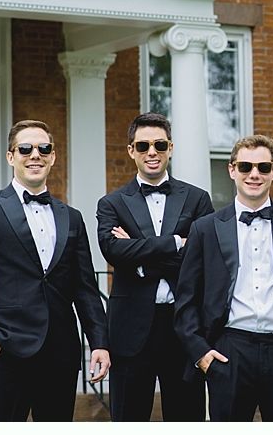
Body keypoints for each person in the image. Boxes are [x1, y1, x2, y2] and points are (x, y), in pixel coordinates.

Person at [0, 119, 110, 421]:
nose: (35, 154)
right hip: (8, 351)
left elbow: (85, 288)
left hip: (61, 355)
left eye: (43, 148)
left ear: (52, 157)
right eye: (25, 148)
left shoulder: (72, 217)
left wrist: (99, 343)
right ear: (11, 157)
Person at [174, 135, 273, 421]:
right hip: (229, 353)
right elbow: (187, 299)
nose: (254, 174)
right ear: (232, 170)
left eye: (263, 167)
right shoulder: (205, 229)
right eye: (245, 166)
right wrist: (203, 354)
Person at [96, 112, 213, 421]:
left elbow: (203, 259)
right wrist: (176, 243)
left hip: (184, 326)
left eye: (159, 145)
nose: (152, 152)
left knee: (186, 417)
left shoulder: (197, 199)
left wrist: (138, 258)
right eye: (144, 145)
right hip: (130, 331)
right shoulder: (112, 203)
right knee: (129, 419)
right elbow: (112, 250)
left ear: (170, 148)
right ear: (131, 150)